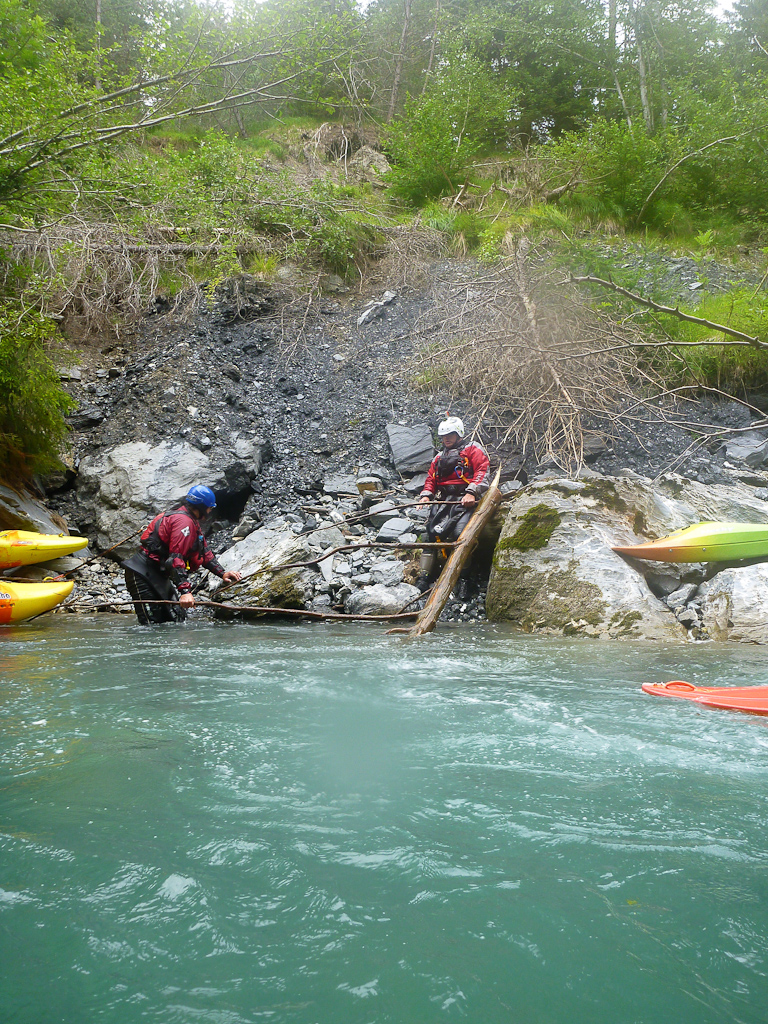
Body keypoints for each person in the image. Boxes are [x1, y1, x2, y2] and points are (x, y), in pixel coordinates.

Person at [123, 485, 242, 625]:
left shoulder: (190, 521)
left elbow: (204, 552)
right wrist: (185, 591)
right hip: (142, 574)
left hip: (158, 573)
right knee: (151, 625)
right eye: (210, 507)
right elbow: (175, 560)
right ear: (202, 507)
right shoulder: (183, 523)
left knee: (176, 618)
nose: (210, 511)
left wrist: (222, 573)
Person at [416, 417, 490, 599]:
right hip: (446, 499)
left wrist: (472, 492)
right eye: (443, 436)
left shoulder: (473, 449)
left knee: (460, 534)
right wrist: (426, 494)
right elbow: (431, 479)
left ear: (459, 434)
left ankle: (464, 578)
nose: (446, 439)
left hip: (466, 499)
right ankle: (424, 577)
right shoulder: (439, 457)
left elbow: (482, 470)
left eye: (450, 434)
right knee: (430, 533)